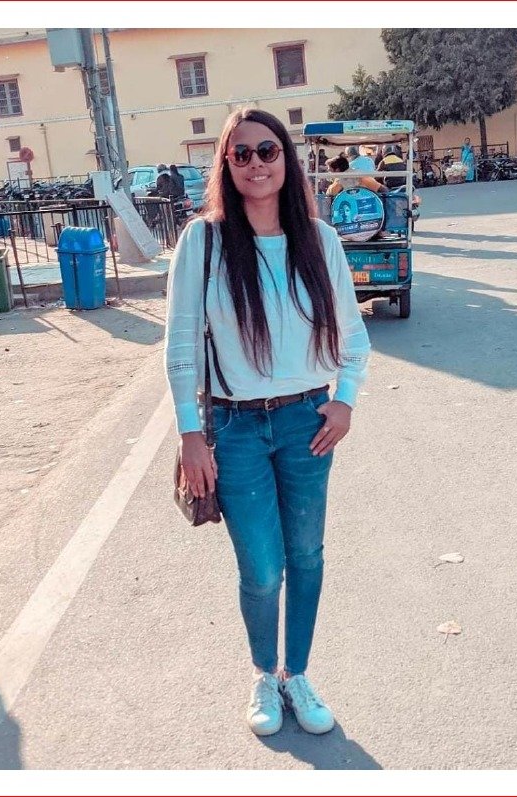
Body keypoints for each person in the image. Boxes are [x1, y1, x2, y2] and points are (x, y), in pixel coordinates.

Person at [165, 108, 370, 737]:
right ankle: (263, 672)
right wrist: (190, 434)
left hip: (308, 421)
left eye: (267, 150)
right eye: (241, 154)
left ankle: (296, 674)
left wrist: (345, 400)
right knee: (262, 567)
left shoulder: (320, 240)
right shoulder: (203, 242)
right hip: (235, 429)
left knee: (306, 555)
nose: (256, 163)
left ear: (286, 158)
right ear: (226, 165)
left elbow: (355, 337)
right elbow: (180, 347)